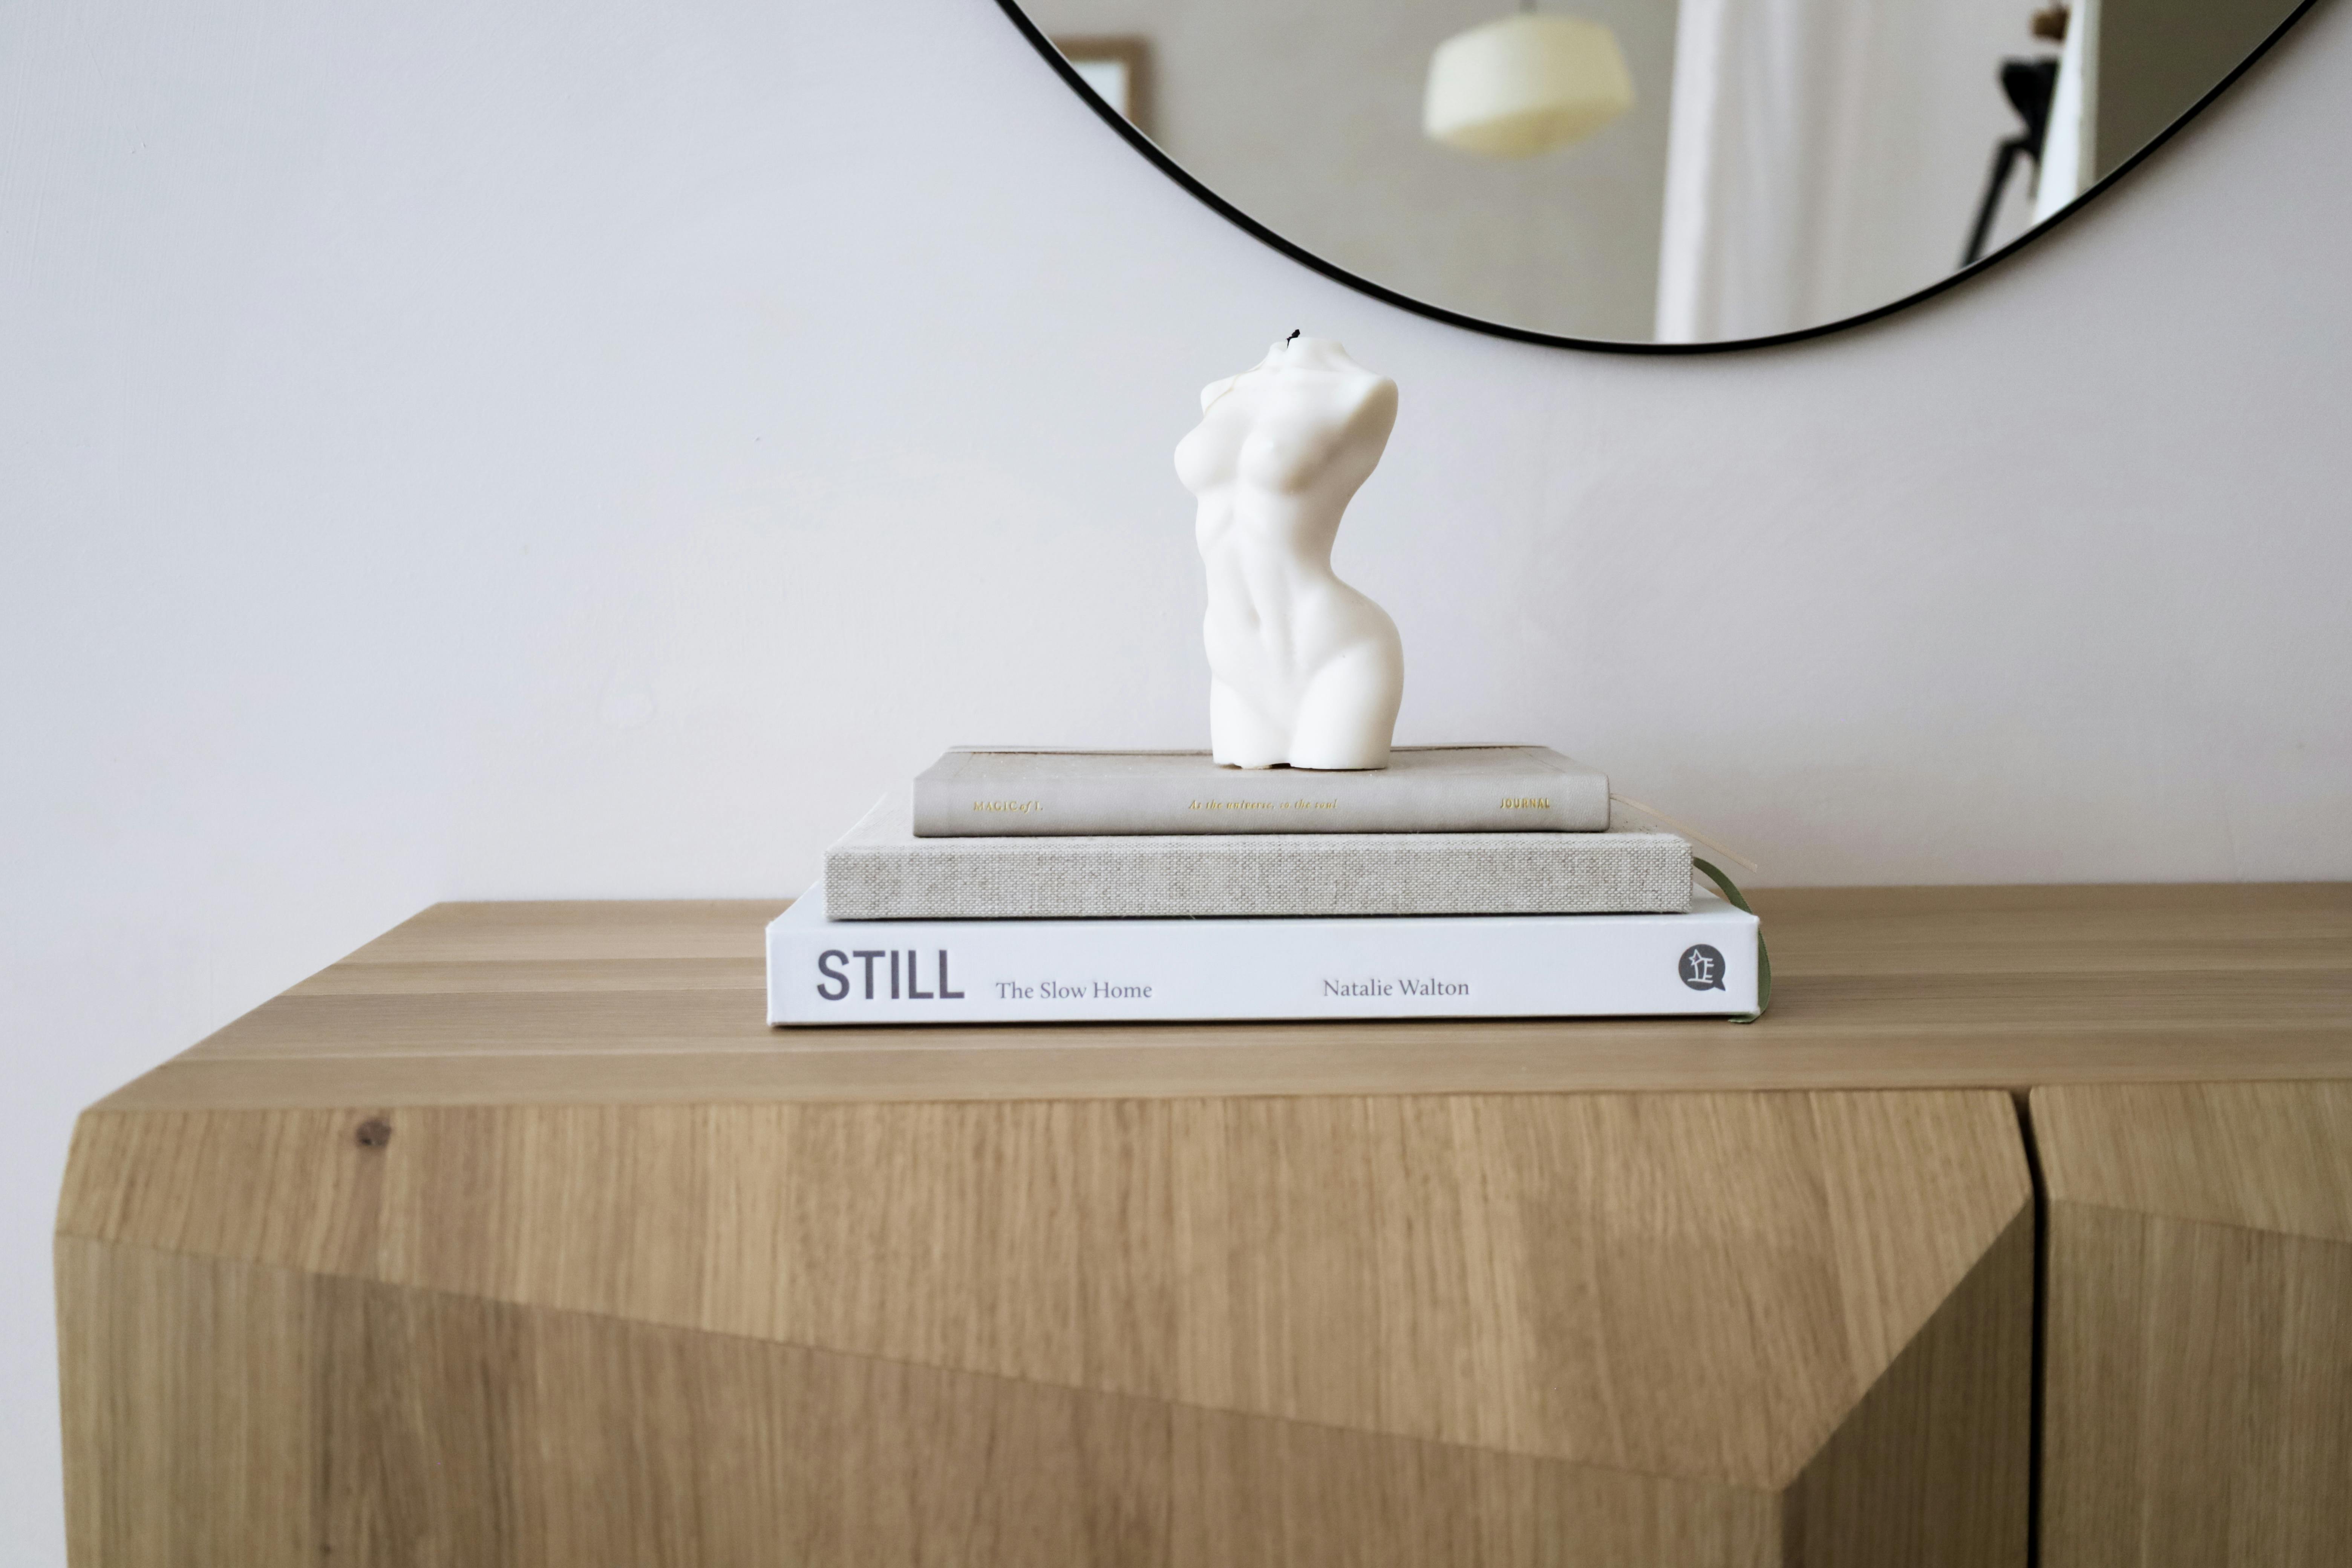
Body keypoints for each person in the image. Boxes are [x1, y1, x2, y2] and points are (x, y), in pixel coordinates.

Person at [1173, 335, 1405, 770]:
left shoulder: (1362, 391)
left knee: (1335, 815)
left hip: (1335, 651)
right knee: (1244, 815)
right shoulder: (1222, 391)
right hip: (1231, 655)